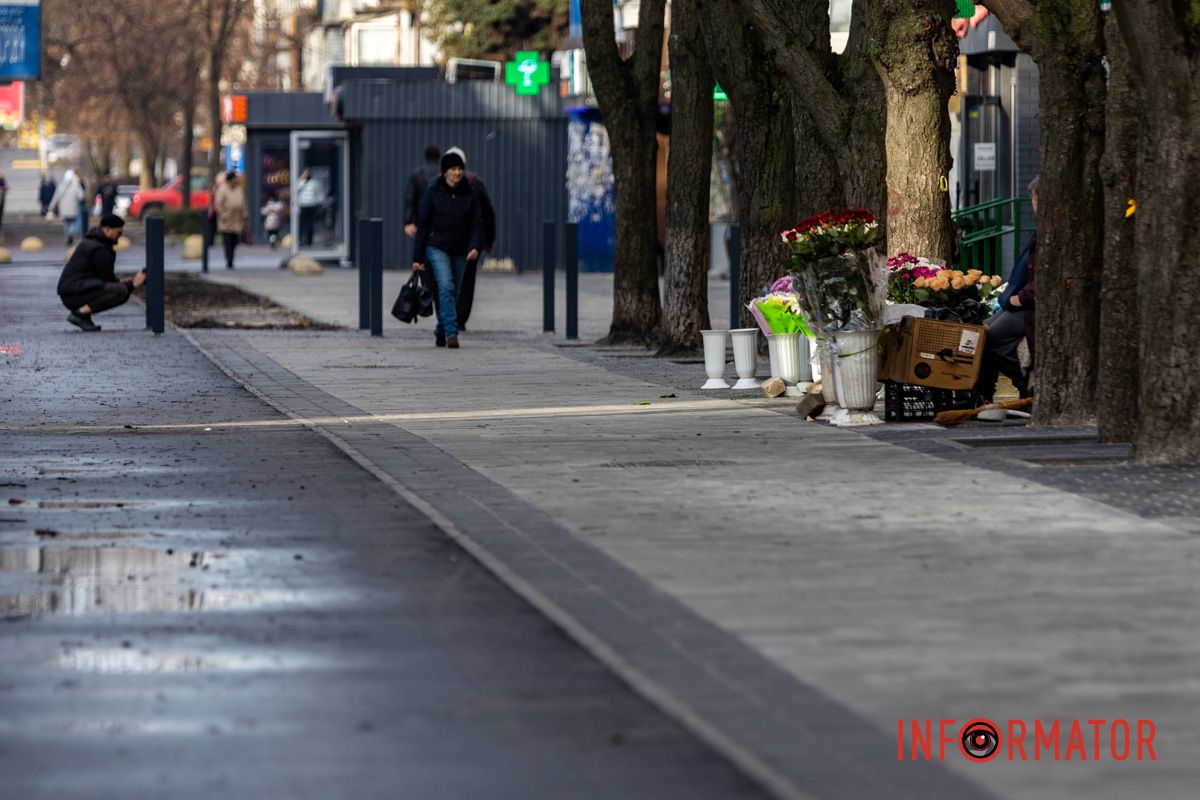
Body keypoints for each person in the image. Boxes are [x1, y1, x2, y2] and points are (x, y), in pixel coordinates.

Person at [412, 151, 483, 349]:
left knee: (454, 291)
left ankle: (440, 329)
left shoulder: (469, 192)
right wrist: (418, 256)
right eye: (453, 169)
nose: (457, 173)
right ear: (445, 172)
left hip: (461, 248)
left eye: (460, 169)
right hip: (437, 246)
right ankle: (452, 333)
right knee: (446, 286)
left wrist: (475, 246)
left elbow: (477, 223)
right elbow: (423, 223)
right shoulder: (433, 191)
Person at [976, 177, 1038, 402]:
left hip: (1030, 306)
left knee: (992, 336)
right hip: (1022, 301)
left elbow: (1040, 279)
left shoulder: (1050, 232)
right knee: (982, 331)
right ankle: (983, 392)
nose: (1033, 204)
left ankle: (1024, 384)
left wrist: (1018, 299)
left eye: (1034, 198)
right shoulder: (1041, 231)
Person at [57, 214, 144, 332]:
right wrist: (132, 285)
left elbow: (102, 277)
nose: (120, 236)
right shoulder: (99, 249)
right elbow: (107, 280)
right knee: (122, 291)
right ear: (107, 230)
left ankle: (84, 317)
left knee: (119, 287)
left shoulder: (94, 241)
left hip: (72, 292)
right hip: (74, 294)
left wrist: (121, 281)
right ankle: (79, 314)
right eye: (118, 233)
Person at [441, 147, 495, 330]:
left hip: (453, 241)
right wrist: (488, 239)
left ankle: (449, 315)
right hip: (468, 242)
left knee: (446, 279)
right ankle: (459, 317)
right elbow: (488, 213)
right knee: (466, 279)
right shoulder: (476, 183)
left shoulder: (438, 184)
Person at [403, 145, 441, 240]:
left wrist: (408, 222)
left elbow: (409, 199)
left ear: (426, 156)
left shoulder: (417, 174)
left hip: (422, 221)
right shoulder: (444, 173)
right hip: (442, 221)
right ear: (439, 157)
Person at [214, 171, 247, 269]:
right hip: (227, 220)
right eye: (234, 179)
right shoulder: (222, 190)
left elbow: (243, 203)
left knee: (235, 241)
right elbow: (218, 204)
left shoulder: (238, 189)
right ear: (230, 179)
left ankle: (231, 257)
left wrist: (244, 214)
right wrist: (223, 214)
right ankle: (229, 260)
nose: (236, 180)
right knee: (228, 241)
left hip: (237, 220)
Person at [48, 170, 86, 246]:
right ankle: (70, 235)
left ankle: (68, 237)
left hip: (63, 210)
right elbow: (81, 196)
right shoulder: (76, 186)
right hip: (73, 209)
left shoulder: (60, 185)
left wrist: (51, 207)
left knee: (66, 224)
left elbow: (55, 197)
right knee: (72, 223)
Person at [296, 168, 324, 246]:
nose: (306, 174)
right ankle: (300, 240)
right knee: (301, 224)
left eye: (307, 173)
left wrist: (319, 205)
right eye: (305, 173)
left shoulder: (314, 183)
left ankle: (309, 240)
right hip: (302, 205)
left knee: (310, 224)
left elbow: (319, 194)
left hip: (312, 205)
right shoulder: (299, 182)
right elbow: (295, 192)